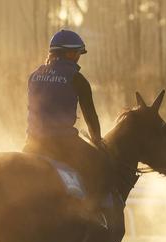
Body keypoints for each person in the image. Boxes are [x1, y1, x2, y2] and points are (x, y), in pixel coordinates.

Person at [23, 29, 106, 228]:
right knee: (100, 166)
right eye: (77, 53)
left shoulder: (34, 75)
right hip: (62, 143)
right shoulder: (77, 79)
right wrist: (98, 141)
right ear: (69, 53)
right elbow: (91, 117)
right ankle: (92, 212)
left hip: (32, 143)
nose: (79, 59)